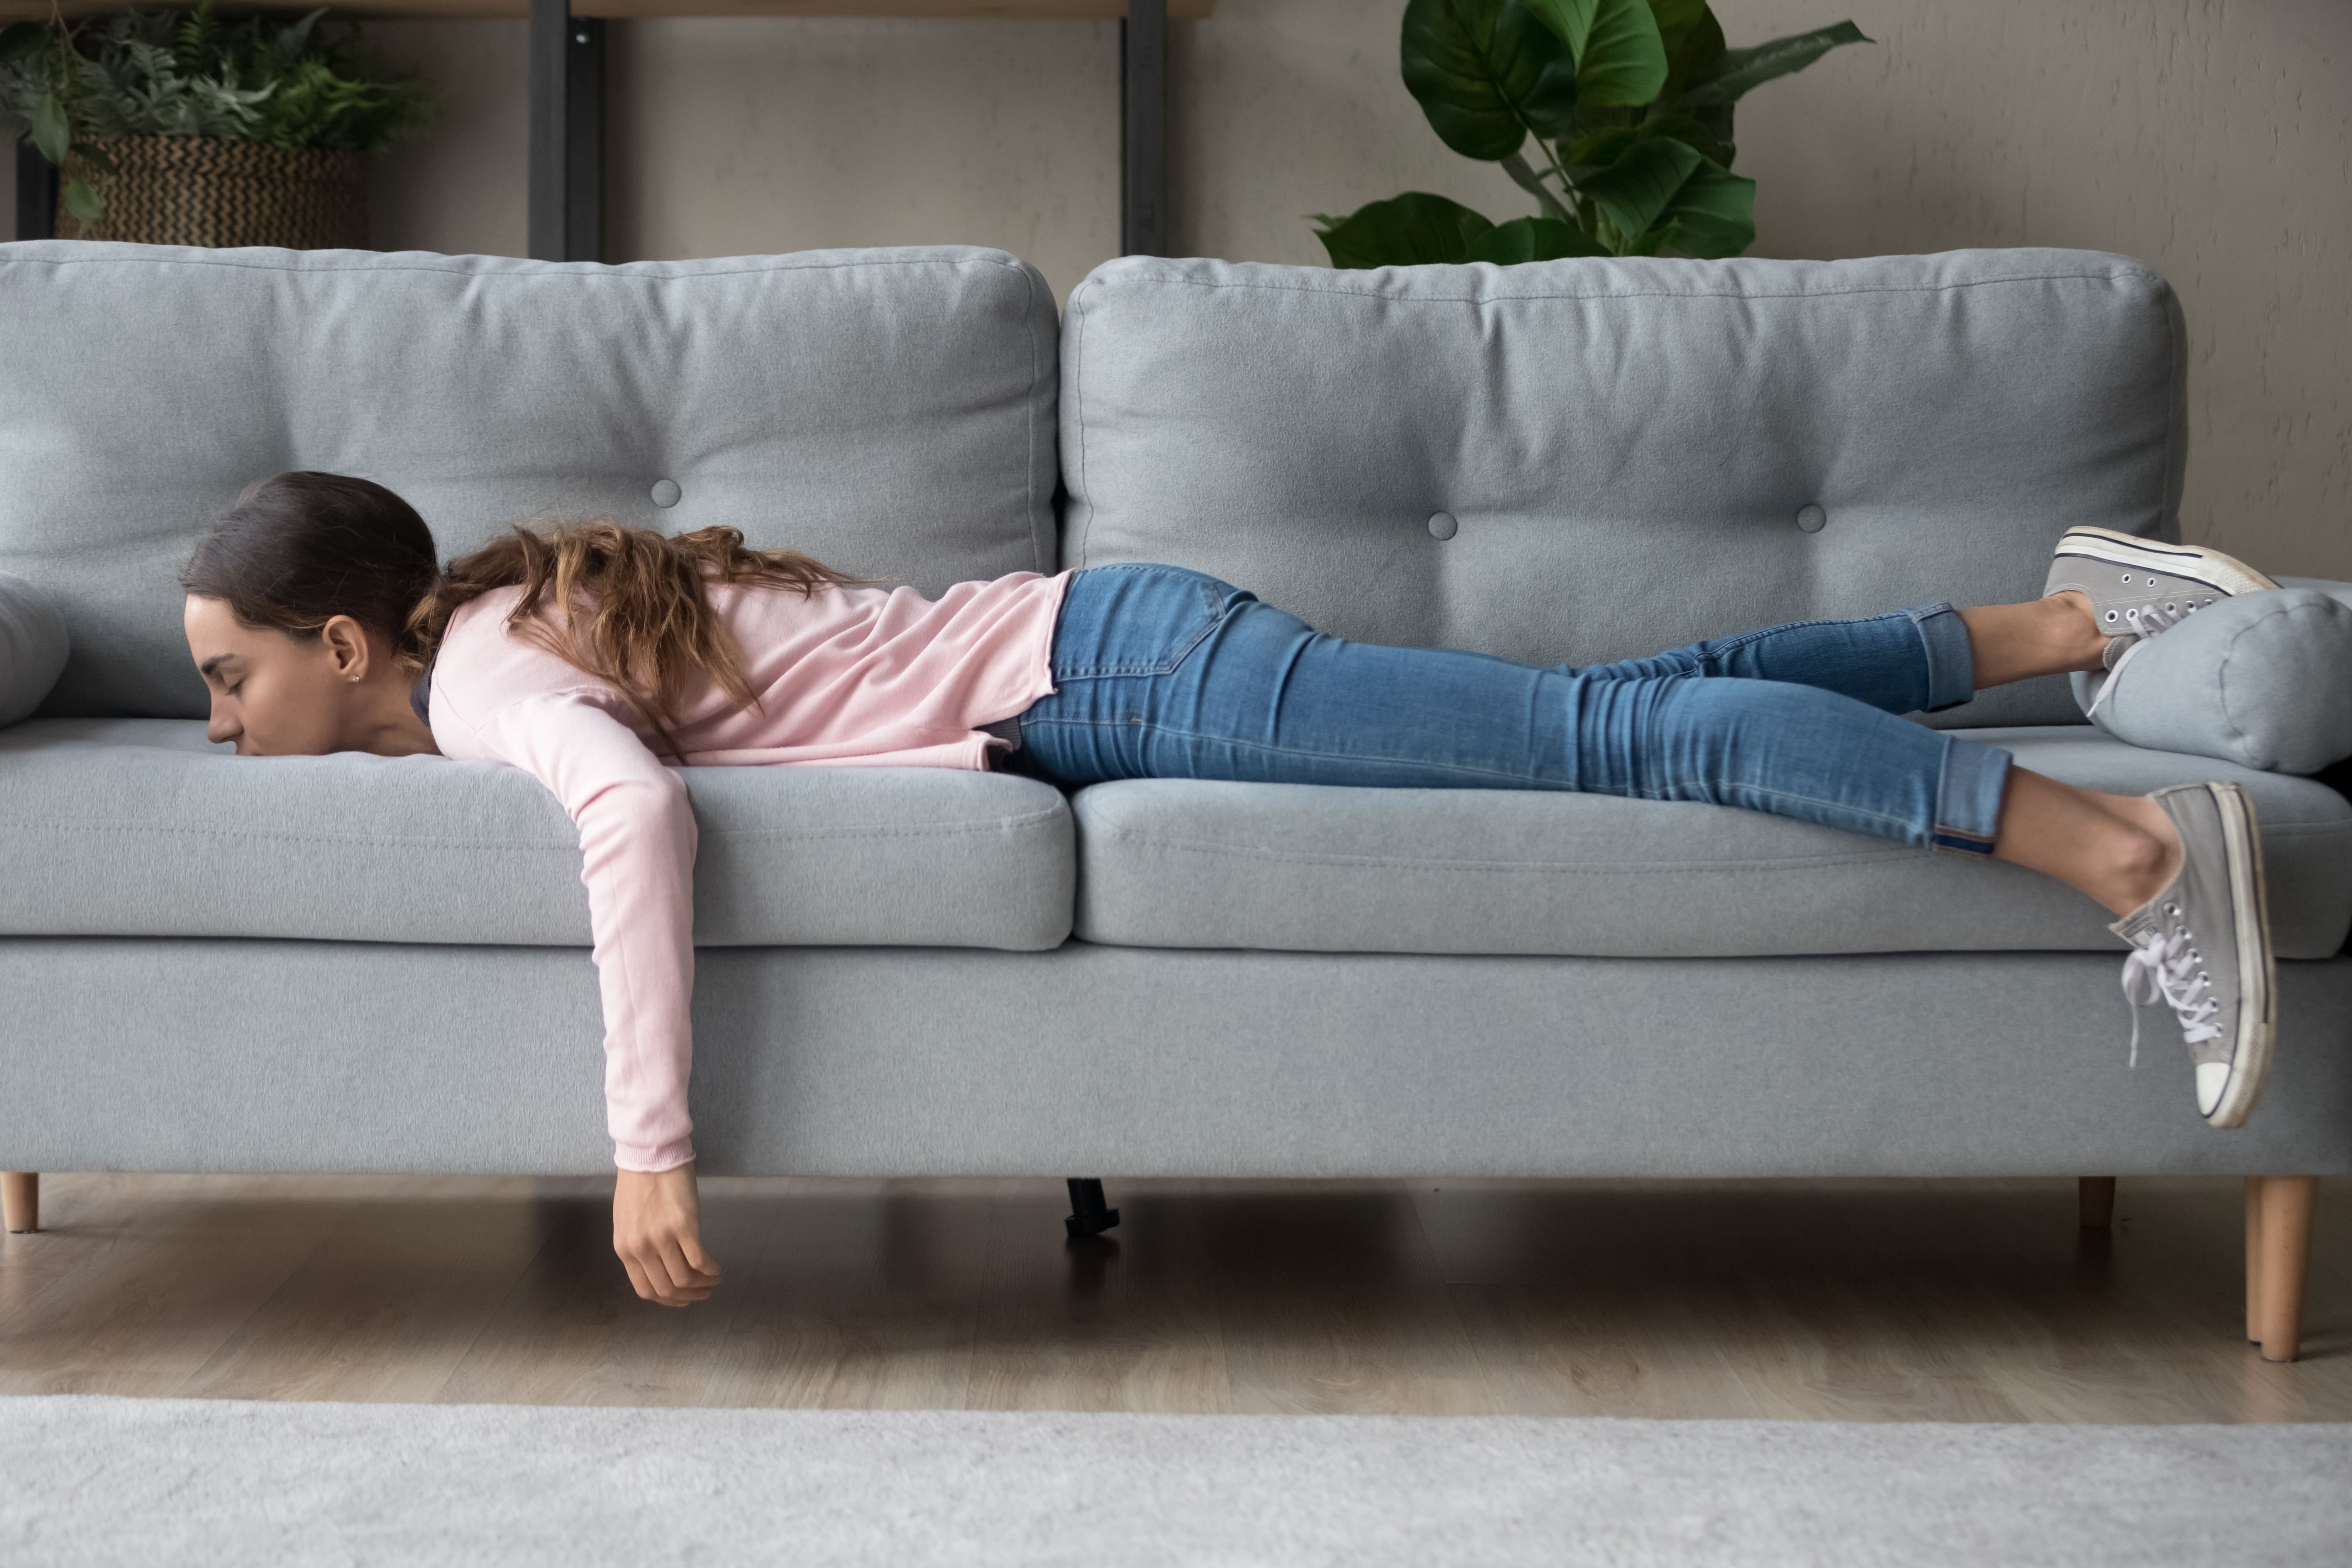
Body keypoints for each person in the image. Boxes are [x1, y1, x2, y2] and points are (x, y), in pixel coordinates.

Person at [178, 472, 2281, 1307]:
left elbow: (631, 821)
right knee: (1592, 703)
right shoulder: (482, 634)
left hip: (1118, 671)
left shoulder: (475, 685)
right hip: (1114, 658)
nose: (214, 720)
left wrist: (650, 1149)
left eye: (229, 677)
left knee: (1607, 746)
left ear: (351, 645)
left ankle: (2137, 855)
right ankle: (2060, 627)